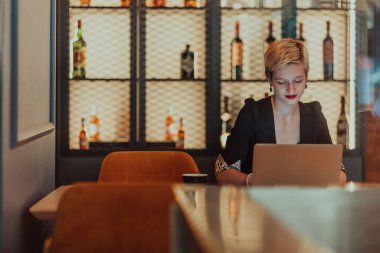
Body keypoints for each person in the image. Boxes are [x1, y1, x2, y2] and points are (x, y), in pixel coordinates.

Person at [215, 38, 347, 186]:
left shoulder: (314, 115)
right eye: (282, 82)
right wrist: (253, 180)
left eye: (298, 81)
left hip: (305, 205)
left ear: (307, 78)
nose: (291, 89)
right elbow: (223, 173)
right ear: (269, 79)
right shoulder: (252, 113)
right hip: (257, 205)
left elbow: (340, 173)